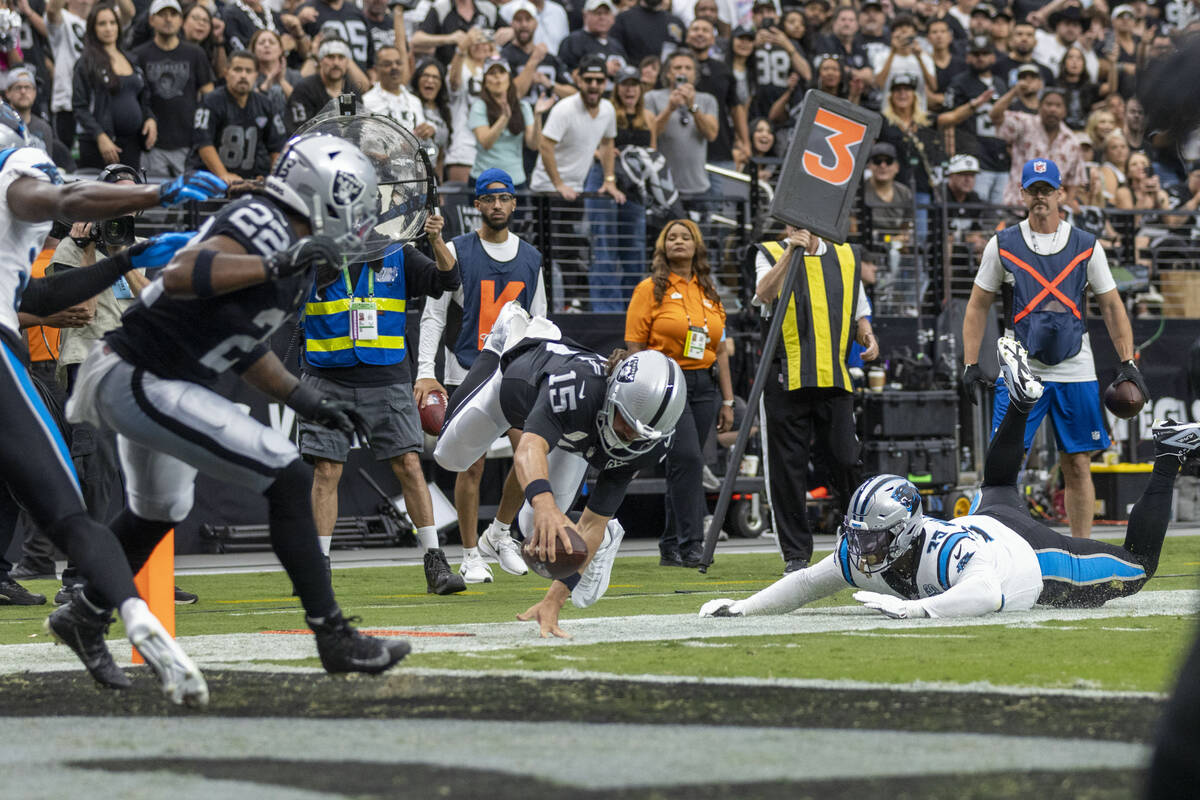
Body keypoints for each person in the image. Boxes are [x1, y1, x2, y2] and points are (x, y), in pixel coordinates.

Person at [65, 133, 413, 683]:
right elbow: (181, 274)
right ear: (321, 192)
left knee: (160, 510)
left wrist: (305, 400)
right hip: (138, 373)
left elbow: (241, 342)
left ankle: (84, 612)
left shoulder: (294, 254)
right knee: (286, 475)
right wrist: (277, 262)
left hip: (157, 376)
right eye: (354, 204)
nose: (359, 220)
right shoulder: (264, 221)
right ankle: (333, 635)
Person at [701, 337, 1187, 620]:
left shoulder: (947, 554)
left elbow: (987, 594)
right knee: (997, 486)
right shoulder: (868, 549)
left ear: (905, 530)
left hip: (1031, 558)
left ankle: (1167, 454)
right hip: (988, 518)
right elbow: (807, 583)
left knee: (1137, 569)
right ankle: (1020, 404)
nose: (863, 549)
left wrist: (918, 610)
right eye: (861, 537)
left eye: (874, 538)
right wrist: (744, 608)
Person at [0, 102, 227, 701]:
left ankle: (111, 615)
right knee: (70, 511)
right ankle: (123, 617)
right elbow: (57, 201)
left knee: (69, 507)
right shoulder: (17, 160)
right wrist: (155, 193)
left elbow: (38, 292)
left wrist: (125, 259)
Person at [434, 303, 686, 637]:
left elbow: (593, 523)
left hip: (572, 435)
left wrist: (554, 600)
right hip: (509, 382)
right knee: (449, 456)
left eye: (643, 433)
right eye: (628, 424)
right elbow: (529, 446)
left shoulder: (648, 442)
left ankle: (608, 533)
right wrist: (545, 503)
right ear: (614, 393)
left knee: (532, 529)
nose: (631, 438)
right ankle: (515, 328)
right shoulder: (576, 388)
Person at [961, 158, 1146, 540]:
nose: (1040, 196)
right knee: (1003, 467)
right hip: (1020, 368)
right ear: (1023, 193)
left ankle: (1082, 550)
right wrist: (970, 362)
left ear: (1060, 192)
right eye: (1034, 189)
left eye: (1047, 189)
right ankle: (997, 549)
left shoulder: (1086, 245)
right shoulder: (1003, 244)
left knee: (1078, 463)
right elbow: (978, 303)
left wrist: (1127, 361)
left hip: (1075, 365)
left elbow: (1112, 304)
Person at [416, 169, 546, 583]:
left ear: (513, 202)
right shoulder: (456, 249)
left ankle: (501, 532)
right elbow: (434, 316)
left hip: (515, 371)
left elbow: (539, 320)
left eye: (504, 198)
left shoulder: (531, 256)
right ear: (477, 205)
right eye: (489, 199)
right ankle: (471, 553)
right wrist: (425, 372)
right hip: (467, 369)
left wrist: (540, 371)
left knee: (530, 455)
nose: (497, 205)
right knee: (470, 465)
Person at [752, 225, 879, 574]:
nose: (798, 228)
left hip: (833, 376)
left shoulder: (846, 255)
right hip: (785, 375)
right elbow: (764, 294)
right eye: (791, 223)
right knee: (786, 468)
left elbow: (859, 310)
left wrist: (867, 335)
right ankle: (796, 555)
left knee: (845, 458)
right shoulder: (769, 253)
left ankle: (857, 537)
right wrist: (791, 251)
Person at [624, 219, 733, 567]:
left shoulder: (708, 290)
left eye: (685, 237)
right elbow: (634, 346)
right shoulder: (649, 290)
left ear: (697, 245)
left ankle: (670, 544)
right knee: (688, 458)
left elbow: (722, 348)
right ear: (663, 247)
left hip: (705, 383)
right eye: (671, 237)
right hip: (667, 383)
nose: (678, 242)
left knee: (682, 464)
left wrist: (727, 399)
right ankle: (691, 544)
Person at [587, 64, 652, 311]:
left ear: (640, 88)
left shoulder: (648, 117)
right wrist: (603, 154)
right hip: (603, 176)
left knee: (634, 247)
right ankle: (606, 310)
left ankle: (633, 309)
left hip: (634, 185)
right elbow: (588, 144)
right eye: (625, 84)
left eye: (634, 84)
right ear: (617, 88)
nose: (630, 89)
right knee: (604, 245)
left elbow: (652, 152)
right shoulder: (604, 111)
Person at [133, 0, 215, 177]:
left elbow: (209, 97)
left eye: (173, 14)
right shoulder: (139, 55)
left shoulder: (195, 53)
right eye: (162, 14)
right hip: (151, 144)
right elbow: (136, 97)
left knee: (189, 200)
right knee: (153, 199)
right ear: (151, 20)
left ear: (181, 20)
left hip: (188, 142)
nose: (168, 19)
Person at [72, 4, 155, 170]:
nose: (108, 28)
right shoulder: (85, 63)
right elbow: (79, 107)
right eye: (102, 24)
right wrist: (100, 136)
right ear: (92, 28)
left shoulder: (131, 58)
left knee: (131, 193)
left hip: (132, 145)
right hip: (99, 146)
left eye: (113, 23)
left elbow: (143, 97)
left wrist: (150, 118)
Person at [190, 50, 287, 183]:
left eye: (248, 71)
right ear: (226, 73)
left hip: (247, 181)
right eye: (237, 70)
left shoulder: (265, 105)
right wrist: (223, 175)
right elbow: (204, 144)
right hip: (208, 180)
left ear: (256, 76)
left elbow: (277, 147)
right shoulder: (210, 101)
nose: (243, 75)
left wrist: (275, 178)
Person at [937, 34, 1008, 205]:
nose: (980, 58)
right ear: (968, 57)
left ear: (993, 56)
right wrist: (974, 105)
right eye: (976, 54)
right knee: (978, 212)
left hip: (1001, 159)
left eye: (985, 54)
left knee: (999, 216)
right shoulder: (959, 83)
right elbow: (945, 120)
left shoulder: (1000, 83)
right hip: (974, 159)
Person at [990, 86, 1088, 208]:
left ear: (1065, 111)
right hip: (1017, 206)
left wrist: (1067, 200)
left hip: (1050, 212)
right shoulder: (1025, 123)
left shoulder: (1072, 141)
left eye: (1058, 106)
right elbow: (995, 116)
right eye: (1048, 104)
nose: (1052, 109)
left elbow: (1074, 180)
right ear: (1039, 107)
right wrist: (1014, 93)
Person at [644, 50, 718, 207]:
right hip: (663, 184)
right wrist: (669, 109)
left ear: (695, 74)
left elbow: (711, 134)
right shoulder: (651, 97)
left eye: (688, 68)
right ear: (668, 73)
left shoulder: (707, 100)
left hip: (698, 186)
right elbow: (649, 134)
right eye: (677, 68)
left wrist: (693, 107)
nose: (682, 71)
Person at [469, 56, 544, 187]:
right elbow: (486, 142)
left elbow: (534, 145)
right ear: (485, 81)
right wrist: (504, 118)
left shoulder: (523, 106)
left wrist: (537, 116)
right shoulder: (479, 107)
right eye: (492, 73)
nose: (498, 77)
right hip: (485, 181)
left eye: (502, 72)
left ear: (509, 78)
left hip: (515, 181)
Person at [286, 38, 363, 134]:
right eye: (330, 57)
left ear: (347, 62)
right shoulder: (304, 89)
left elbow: (358, 130)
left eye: (341, 57)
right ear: (320, 61)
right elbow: (299, 131)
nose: (336, 63)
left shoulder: (352, 90)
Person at [557, 0, 627, 74]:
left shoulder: (617, 45)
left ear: (613, 17)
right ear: (585, 15)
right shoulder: (573, 41)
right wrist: (602, 67)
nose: (602, 17)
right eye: (597, 13)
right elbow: (564, 73)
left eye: (606, 13)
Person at [411, 57, 452, 179]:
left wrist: (439, 186)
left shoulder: (444, 110)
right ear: (417, 79)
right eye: (426, 76)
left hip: (431, 175)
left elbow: (441, 154)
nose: (430, 80)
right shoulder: (410, 104)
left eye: (435, 77)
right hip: (411, 172)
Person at [609, 0, 684, 67]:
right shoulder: (623, 19)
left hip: (666, 78)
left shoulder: (675, 23)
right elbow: (615, 52)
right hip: (633, 78)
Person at [250, 28, 304, 120]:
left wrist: (282, 81)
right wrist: (268, 81)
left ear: (280, 50)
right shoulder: (250, 76)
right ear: (254, 50)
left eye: (272, 42)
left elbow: (302, 105)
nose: (266, 45)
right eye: (261, 43)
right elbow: (251, 105)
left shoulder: (294, 75)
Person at [863, 141, 914, 234]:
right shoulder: (859, 191)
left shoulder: (905, 192)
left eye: (888, 161)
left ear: (897, 167)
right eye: (877, 161)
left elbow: (906, 229)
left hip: (896, 244)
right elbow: (854, 229)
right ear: (869, 166)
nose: (883, 166)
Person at [181, 3, 228, 82]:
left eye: (206, 21)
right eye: (196, 18)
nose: (201, 23)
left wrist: (219, 39)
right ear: (182, 22)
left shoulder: (205, 52)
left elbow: (222, 75)